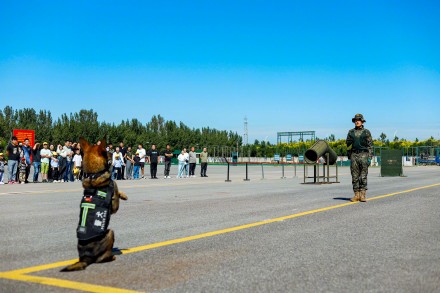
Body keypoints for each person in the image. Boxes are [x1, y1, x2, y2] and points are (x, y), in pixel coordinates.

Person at [346, 113, 373, 202]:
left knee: (363, 176)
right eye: (356, 120)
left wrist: (369, 157)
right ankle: (356, 195)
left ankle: (362, 195)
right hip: (354, 155)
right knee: (354, 176)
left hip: (364, 155)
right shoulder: (351, 132)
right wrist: (349, 155)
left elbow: (370, 146)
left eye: (359, 120)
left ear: (362, 121)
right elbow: (348, 145)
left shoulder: (366, 132)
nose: (357, 122)